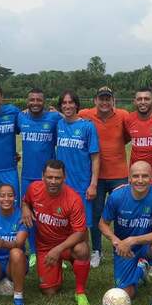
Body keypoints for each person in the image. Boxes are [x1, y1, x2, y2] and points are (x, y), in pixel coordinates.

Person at [97, 161, 152, 305]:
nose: (140, 180)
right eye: (136, 176)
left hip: (146, 246)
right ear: (129, 178)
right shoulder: (117, 197)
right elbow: (102, 224)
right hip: (124, 250)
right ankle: (141, 268)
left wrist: (131, 240)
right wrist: (117, 242)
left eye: (145, 176)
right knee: (126, 294)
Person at [22, 159, 92, 305]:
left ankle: (80, 291)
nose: (53, 181)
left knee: (82, 249)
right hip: (45, 247)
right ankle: (56, 270)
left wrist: (58, 249)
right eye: (49, 177)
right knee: (49, 291)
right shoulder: (33, 189)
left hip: (67, 245)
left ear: (64, 177)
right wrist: (25, 208)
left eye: (57, 178)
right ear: (42, 177)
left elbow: (80, 232)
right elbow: (25, 201)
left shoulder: (73, 199)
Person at [80, 86, 130, 268]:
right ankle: (97, 251)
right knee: (96, 214)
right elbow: (68, 116)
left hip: (119, 174)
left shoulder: (123, 115)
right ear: (95, 100)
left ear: (113, 101)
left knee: (123, 213)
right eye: (101, 98)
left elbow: (128, 135)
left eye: (108, 98)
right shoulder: (86, 114)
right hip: (96, 176)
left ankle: (124, 246)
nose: (104, 102)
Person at [17, 87, 60, 268]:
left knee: (52, 216)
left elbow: (71, 117)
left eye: (38, 100)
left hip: (49, 177)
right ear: (27, 102)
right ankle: (34, 251)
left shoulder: (54, 118)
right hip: (27, 176)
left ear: (45, 102)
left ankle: (56, 249)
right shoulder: (21, 117)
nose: (35, 103)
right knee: (29, 216)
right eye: (32, 100)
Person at [54, 91, 100, 248]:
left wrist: (93, 184)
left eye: (70, 102)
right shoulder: (59, 124)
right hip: (62, 184)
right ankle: (67, 253)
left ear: (76, 105)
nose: (67, 105)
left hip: (81, 184)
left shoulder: (87, 127)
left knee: (82, 225)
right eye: (64, 103)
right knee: (62, 221)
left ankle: (84, 256)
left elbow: (95, 157)